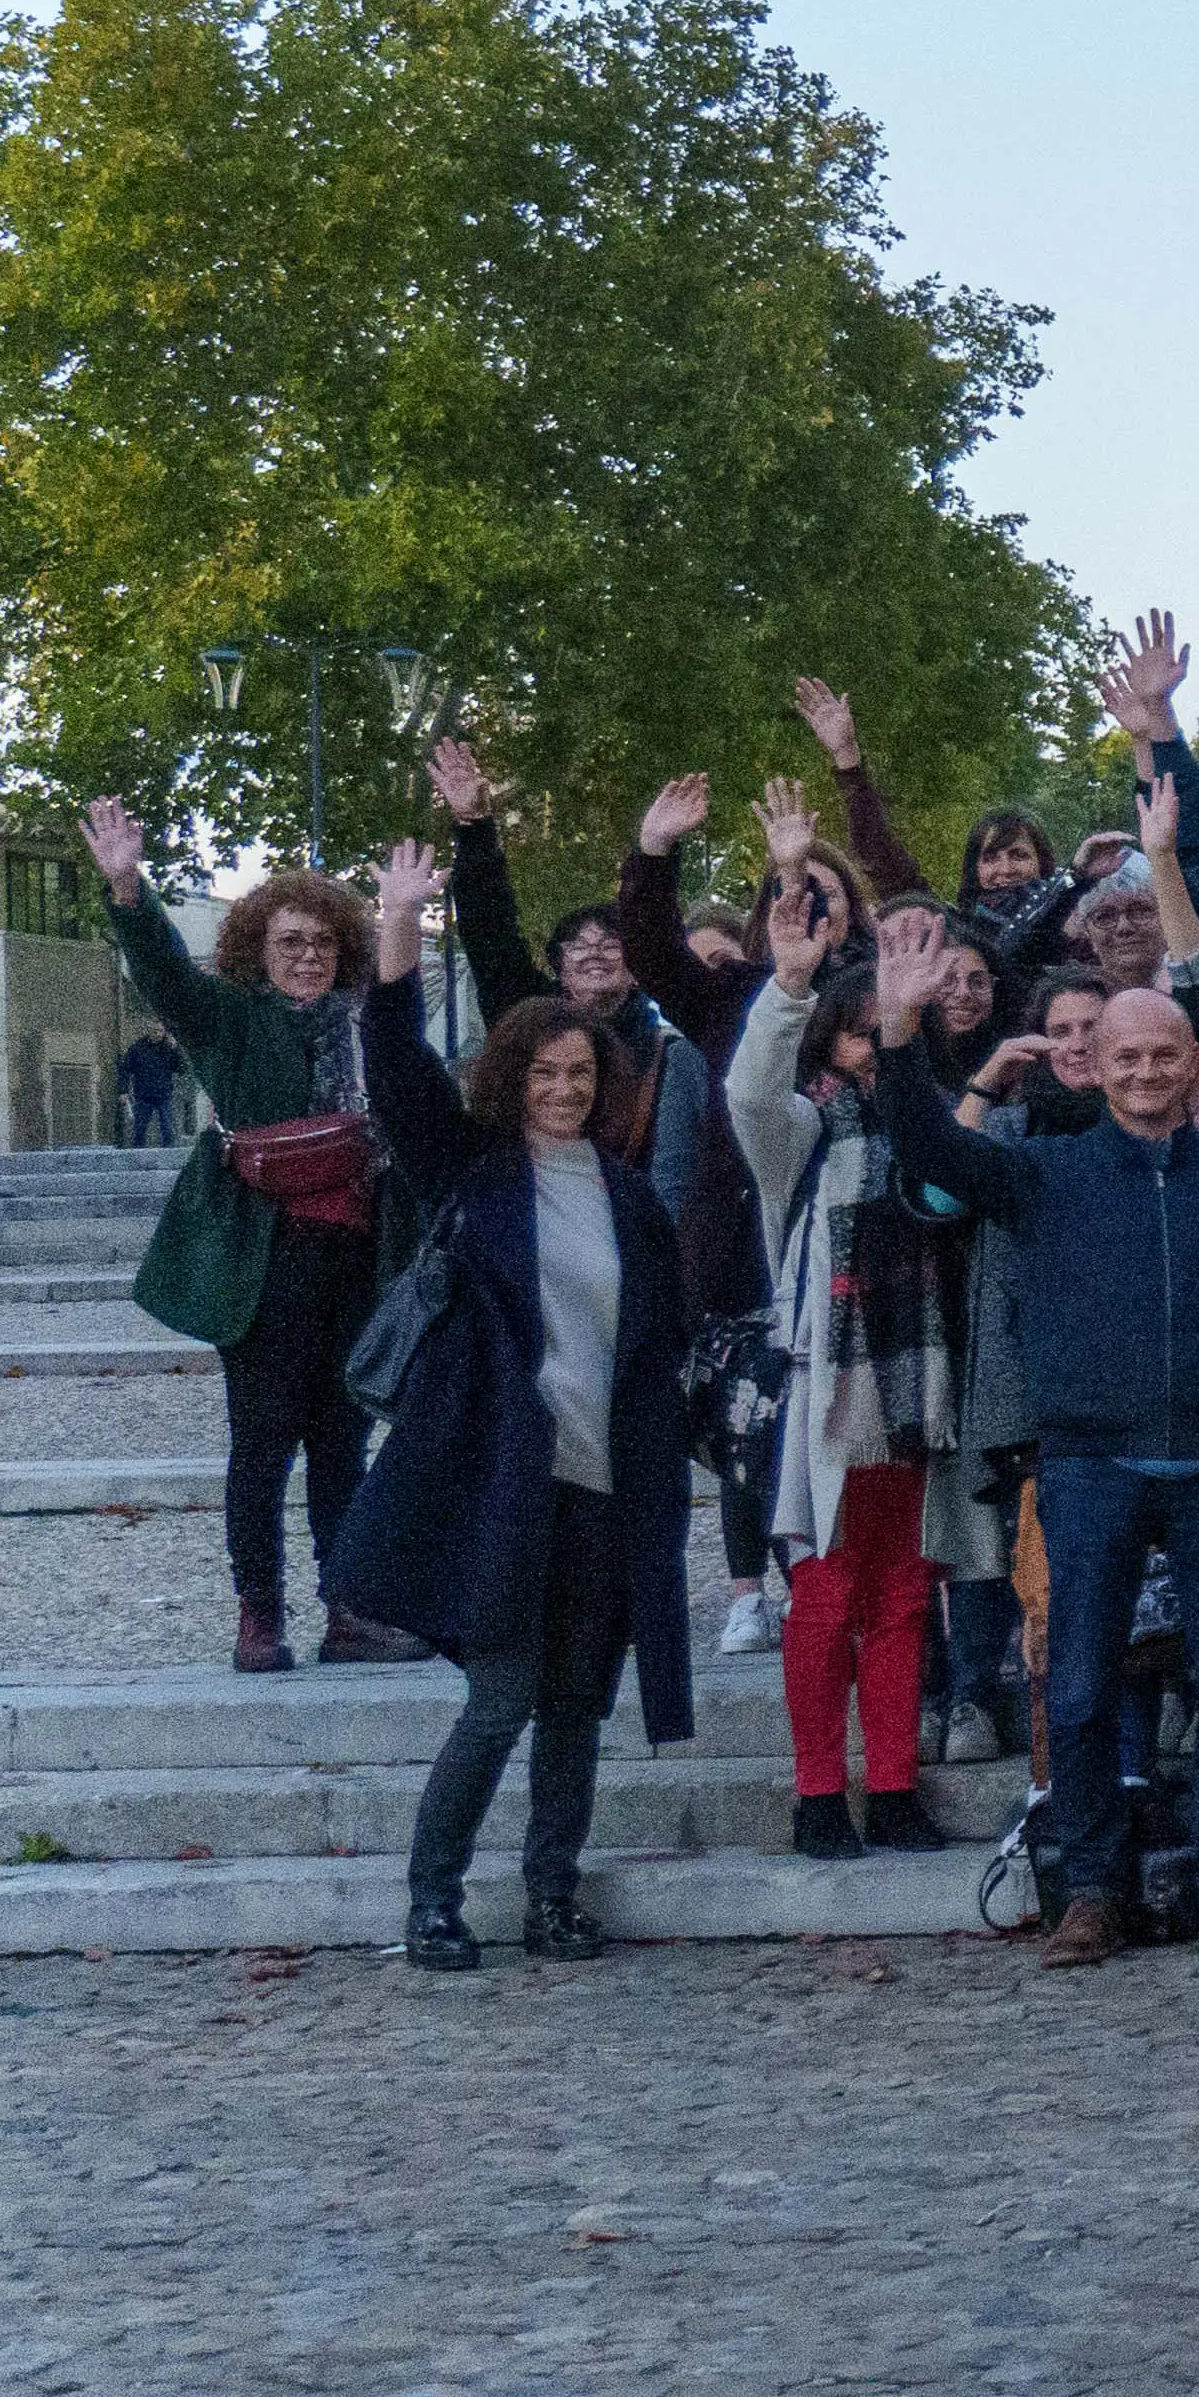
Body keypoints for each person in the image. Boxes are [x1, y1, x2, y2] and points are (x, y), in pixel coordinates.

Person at [864, 910, 1199, 1965]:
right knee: (1074, 1686)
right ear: (1095, 1068)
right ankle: (1089, 1890)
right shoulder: (1046, 1172)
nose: (1149, 1070)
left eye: (1166, 1053)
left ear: (1193, 1060)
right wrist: (899, 1034)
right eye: (1128, 1055)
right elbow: (930, 1150)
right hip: (1087, 1465)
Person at [343, 842, 696, 1970]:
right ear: (511, 1078)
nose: (561, 1091)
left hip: (604, 1490)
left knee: (579, 1712)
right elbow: (394, 1063)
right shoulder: (473, 1173)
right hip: (503, 1482)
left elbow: (653, 1348)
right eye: (543, 1075)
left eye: (579, 1077)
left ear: (604, 1085)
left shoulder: (633, 1200)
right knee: (499, 1700)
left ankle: (552, 1896)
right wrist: (398, 923)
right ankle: (432, 1900)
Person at [88, 804, 401, 1674]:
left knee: (344, 1444)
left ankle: (350, 1608)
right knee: (262, 1445)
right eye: (290, 941)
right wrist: (127, 886)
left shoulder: (367, 1023)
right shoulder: (227, 1018)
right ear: (259, 949)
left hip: (353, 1262)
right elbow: (159, 971)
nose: (308, 956)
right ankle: (259, 1615)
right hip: (263, 1266)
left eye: (322, 943)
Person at [722, 873, 979, 1857]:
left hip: (926, 1392)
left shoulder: (945, 1126)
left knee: (907, 1597)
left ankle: (899, 1782)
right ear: (831, 1040)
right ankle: (821, 1790)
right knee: (826, 1597)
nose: (874, 1048)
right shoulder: (802, 1137)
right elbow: (748, 1093)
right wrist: (786, 987)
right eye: (861, 1030)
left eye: (892, 1029)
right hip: (830, 1395)